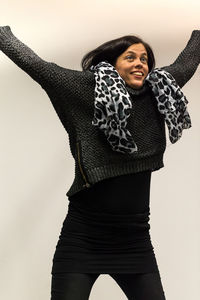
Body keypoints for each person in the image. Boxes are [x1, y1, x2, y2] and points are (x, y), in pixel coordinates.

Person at [1, 26, 200, 300]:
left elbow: (187, 62)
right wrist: (2, 35)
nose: (140, 64)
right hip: (83, 238)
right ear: (112, 62)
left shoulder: (158, 91)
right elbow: (38, 66)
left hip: (135, 240)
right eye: (131, 57)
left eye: (145, 59)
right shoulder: (85, 90)